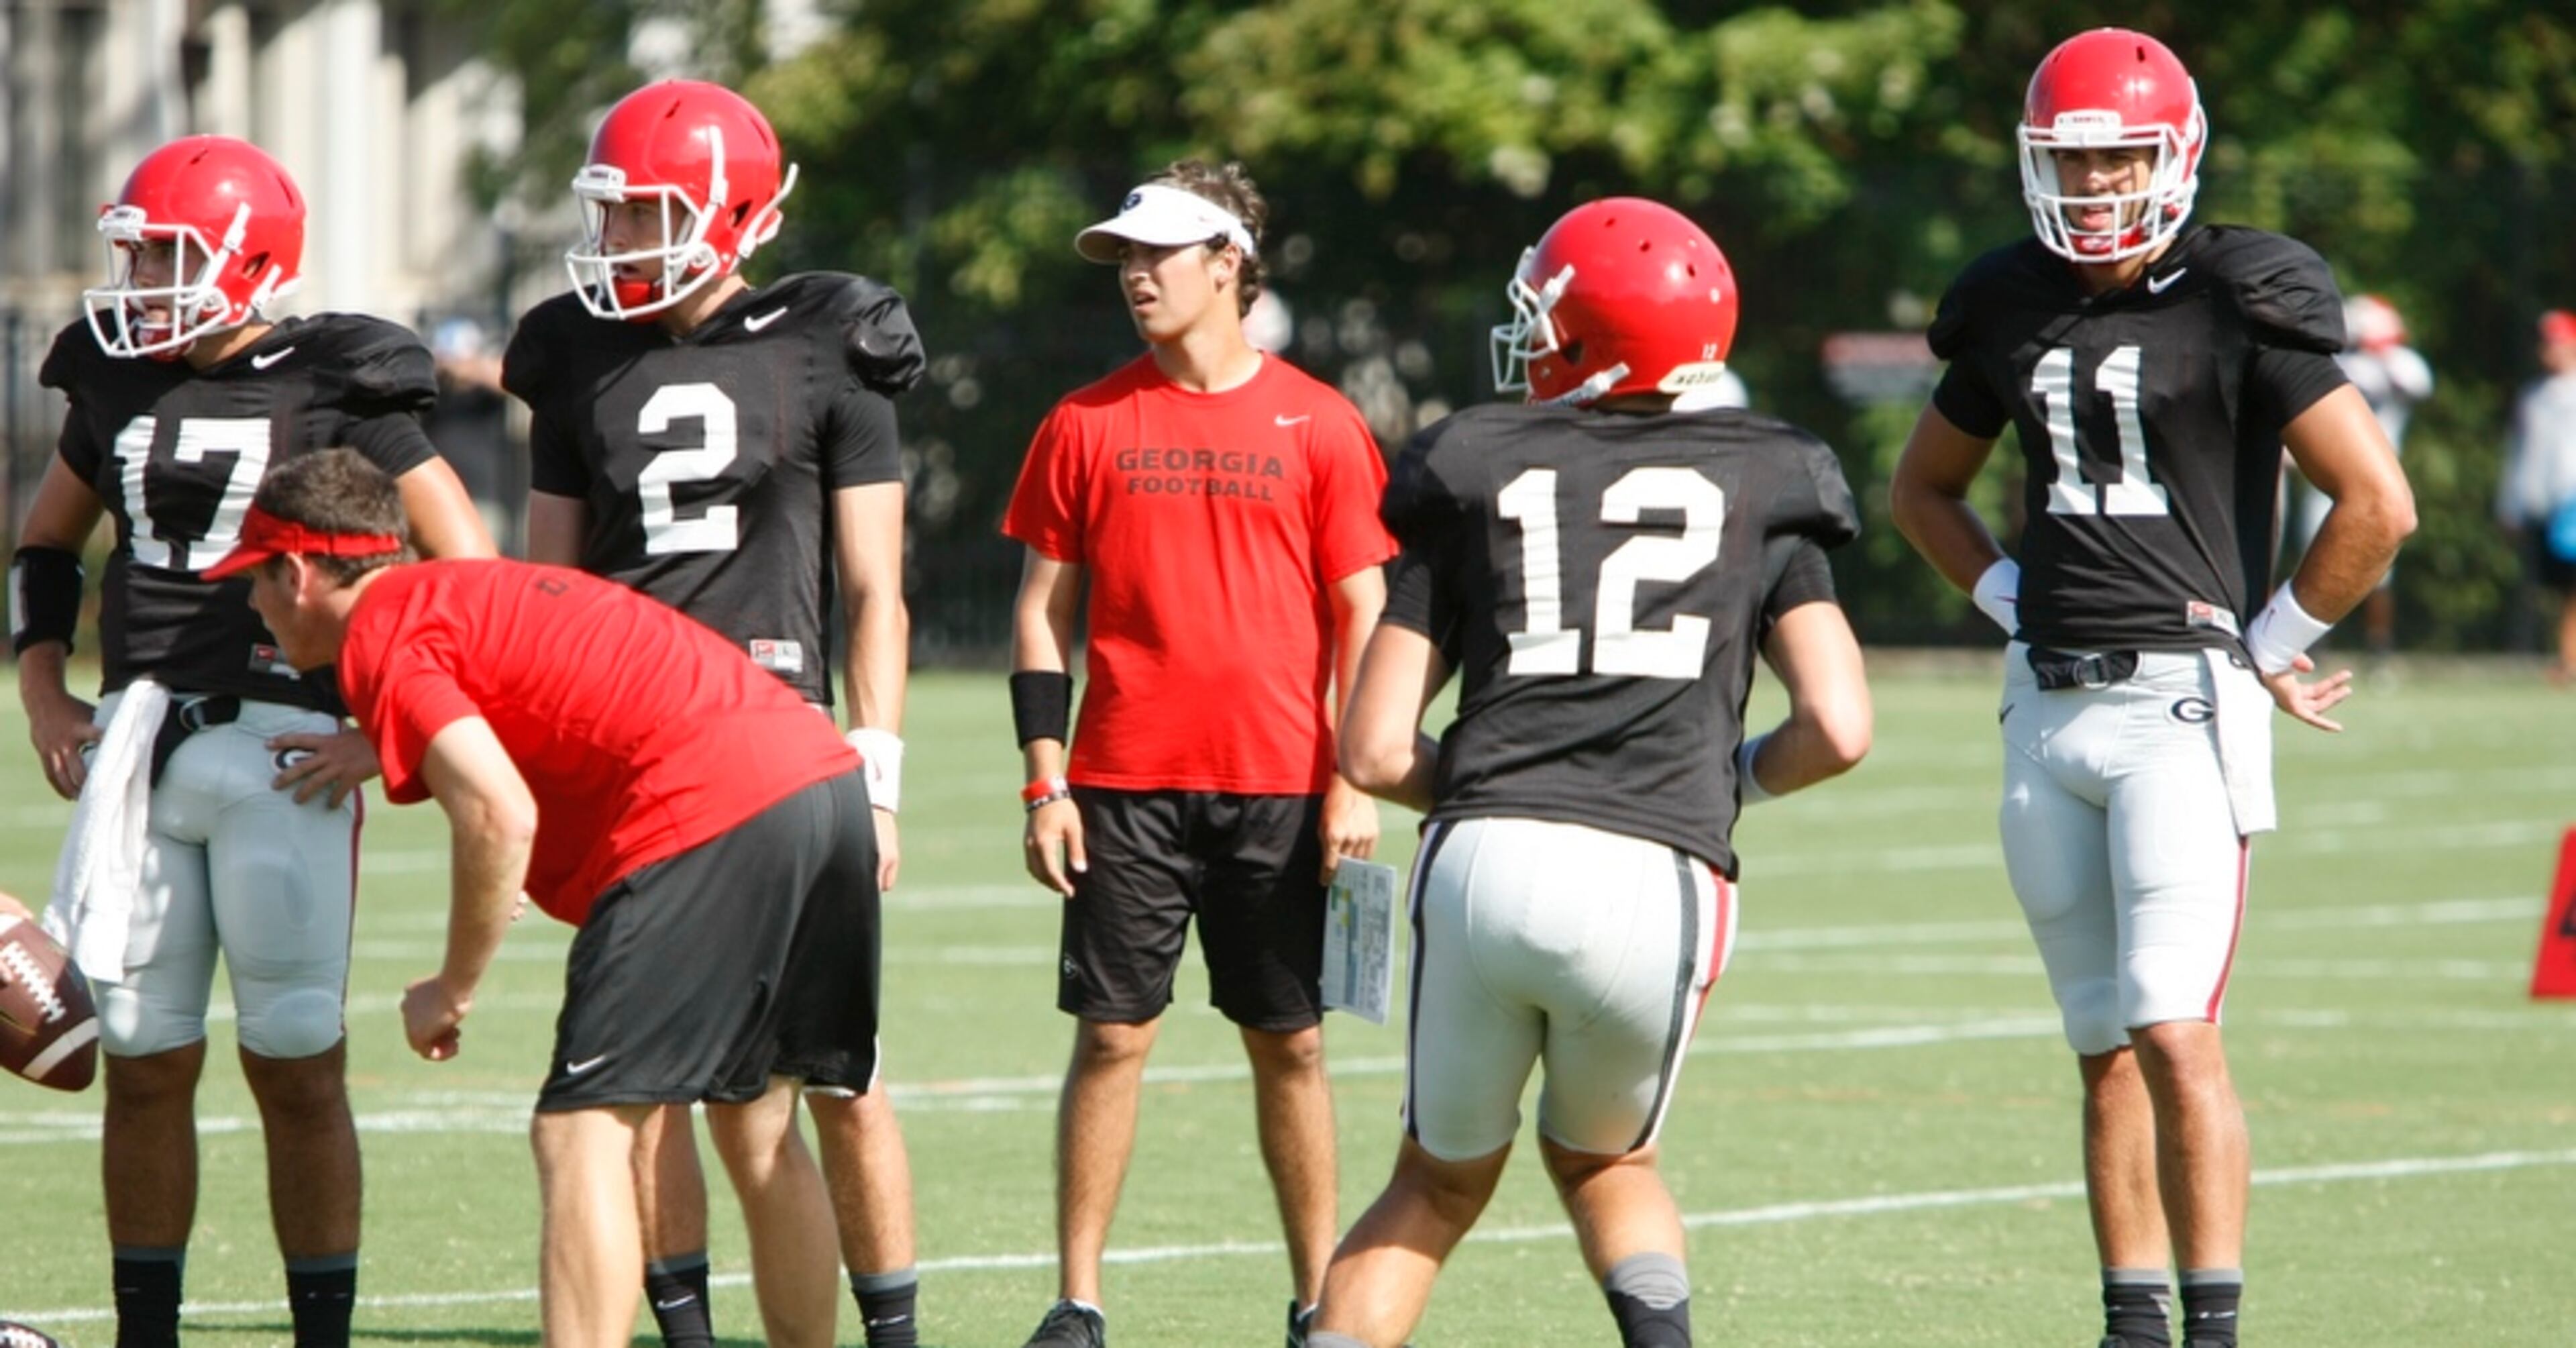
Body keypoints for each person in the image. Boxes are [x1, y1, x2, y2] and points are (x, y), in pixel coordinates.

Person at [1886, 29, 2415, 1348]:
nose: (2097, 185)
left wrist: (2269, 635)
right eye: (2072, 160)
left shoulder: (2243, 290)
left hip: (2178, 699)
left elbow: (2377, 501)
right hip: (2044, 702)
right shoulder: (2009, 297)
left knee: (2175, 1024)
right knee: (2100, 1038)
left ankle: (2216, 1325)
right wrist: (2007, 599)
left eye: (2120, 156)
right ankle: (2131, 1320)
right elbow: (1923, 489)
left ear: (2176, 156)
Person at [1303, 197, 1872, 1348]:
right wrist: (1730, 780)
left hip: (1486, 861)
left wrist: (1494, 783)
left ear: (1585, 333)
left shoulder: (1472, 460)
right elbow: (1841, 723)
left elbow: (1371, 745)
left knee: (1430, 1184)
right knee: (1614, 1162)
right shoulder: (1769, 476)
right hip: (1656, 873)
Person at [209, 448, 881, 1348]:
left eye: (254, 579)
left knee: (580, 1134)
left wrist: (451, 986)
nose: (250, 601)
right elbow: (540, 721)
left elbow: (497, 812)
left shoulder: (381, 635)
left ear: (296, 571)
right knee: (761, 1128)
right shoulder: (457, 593)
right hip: (823, 783)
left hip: (711, 809)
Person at [8, 135, 494, 1348]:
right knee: (142, 1055)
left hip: (288, 743)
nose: (148, 276)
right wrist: (42, 688)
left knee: (295, 1060)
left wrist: (382, 724)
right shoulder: (115, 375)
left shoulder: (339, 378)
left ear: (252, 260)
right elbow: (47, 542)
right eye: (140, 250)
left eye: (173, 251)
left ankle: (320, 1335)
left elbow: (464, 569)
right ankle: (147, 1331)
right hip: (135, 745)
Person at [500, 77, 926, 1348]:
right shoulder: (574, 351)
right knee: (672, 1093)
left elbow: (875, 592)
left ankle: (885, 1330)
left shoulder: (829, 338)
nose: (620, 241)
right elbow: (549, 588)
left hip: (775, 734)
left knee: (811, 1087)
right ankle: (690, 1327)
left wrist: (882, 765)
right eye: (614, 215)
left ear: (732, 215)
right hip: (632, 739)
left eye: (646, 217)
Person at [1004, 159, 1396, 1348]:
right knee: (1113, 1034)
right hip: (1121, 785)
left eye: (1157, 254)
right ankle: (1078, 1300)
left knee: (1294, 1042)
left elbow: (1364, 614)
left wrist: (1349, 778)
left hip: (1280, 784)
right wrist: (1044, 777)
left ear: (1228, 262)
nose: (1135, 275)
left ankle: (1318, 1301)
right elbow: (1038, 615)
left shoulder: (1321, 421)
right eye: (1124, 256)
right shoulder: (1084, 419)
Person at [2296, 295, 2431, 658]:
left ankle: (2379, 644)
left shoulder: (2400, 363)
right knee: (2315, 555)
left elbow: (2417, 387)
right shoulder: (2341, 361)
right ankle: (2310, 644)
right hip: (2326, 471)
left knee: (2379, 567)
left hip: (2380, 475)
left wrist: (2383, 352)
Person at [2496, 310, 2576, 682]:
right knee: (2561, 588)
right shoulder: (2533, 397)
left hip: (2572, 501)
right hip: (2547, 507)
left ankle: (2568, 660)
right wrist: (2511, 504)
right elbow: (2522, 455)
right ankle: (2567, 656)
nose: (2549, 350)